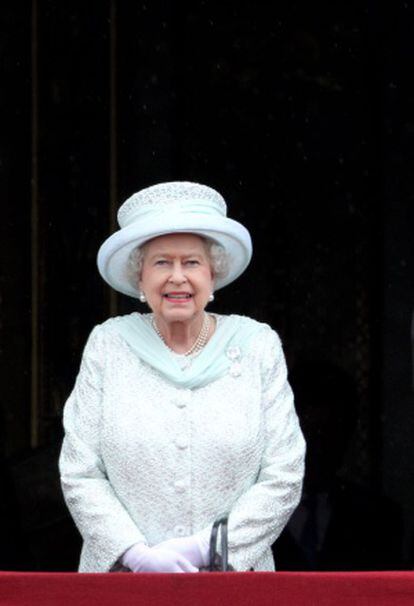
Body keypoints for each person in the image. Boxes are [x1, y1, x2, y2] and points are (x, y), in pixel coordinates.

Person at [59, 181, 305, 573]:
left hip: (235, 586)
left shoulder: (258, 345)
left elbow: (285, 474)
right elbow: (79, 471)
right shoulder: (109, 345)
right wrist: (136, 556)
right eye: (161, 263)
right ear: (139, 278)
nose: (177, 277)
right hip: (122, 585)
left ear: (213, 274)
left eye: (191, 262)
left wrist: (206, 549)